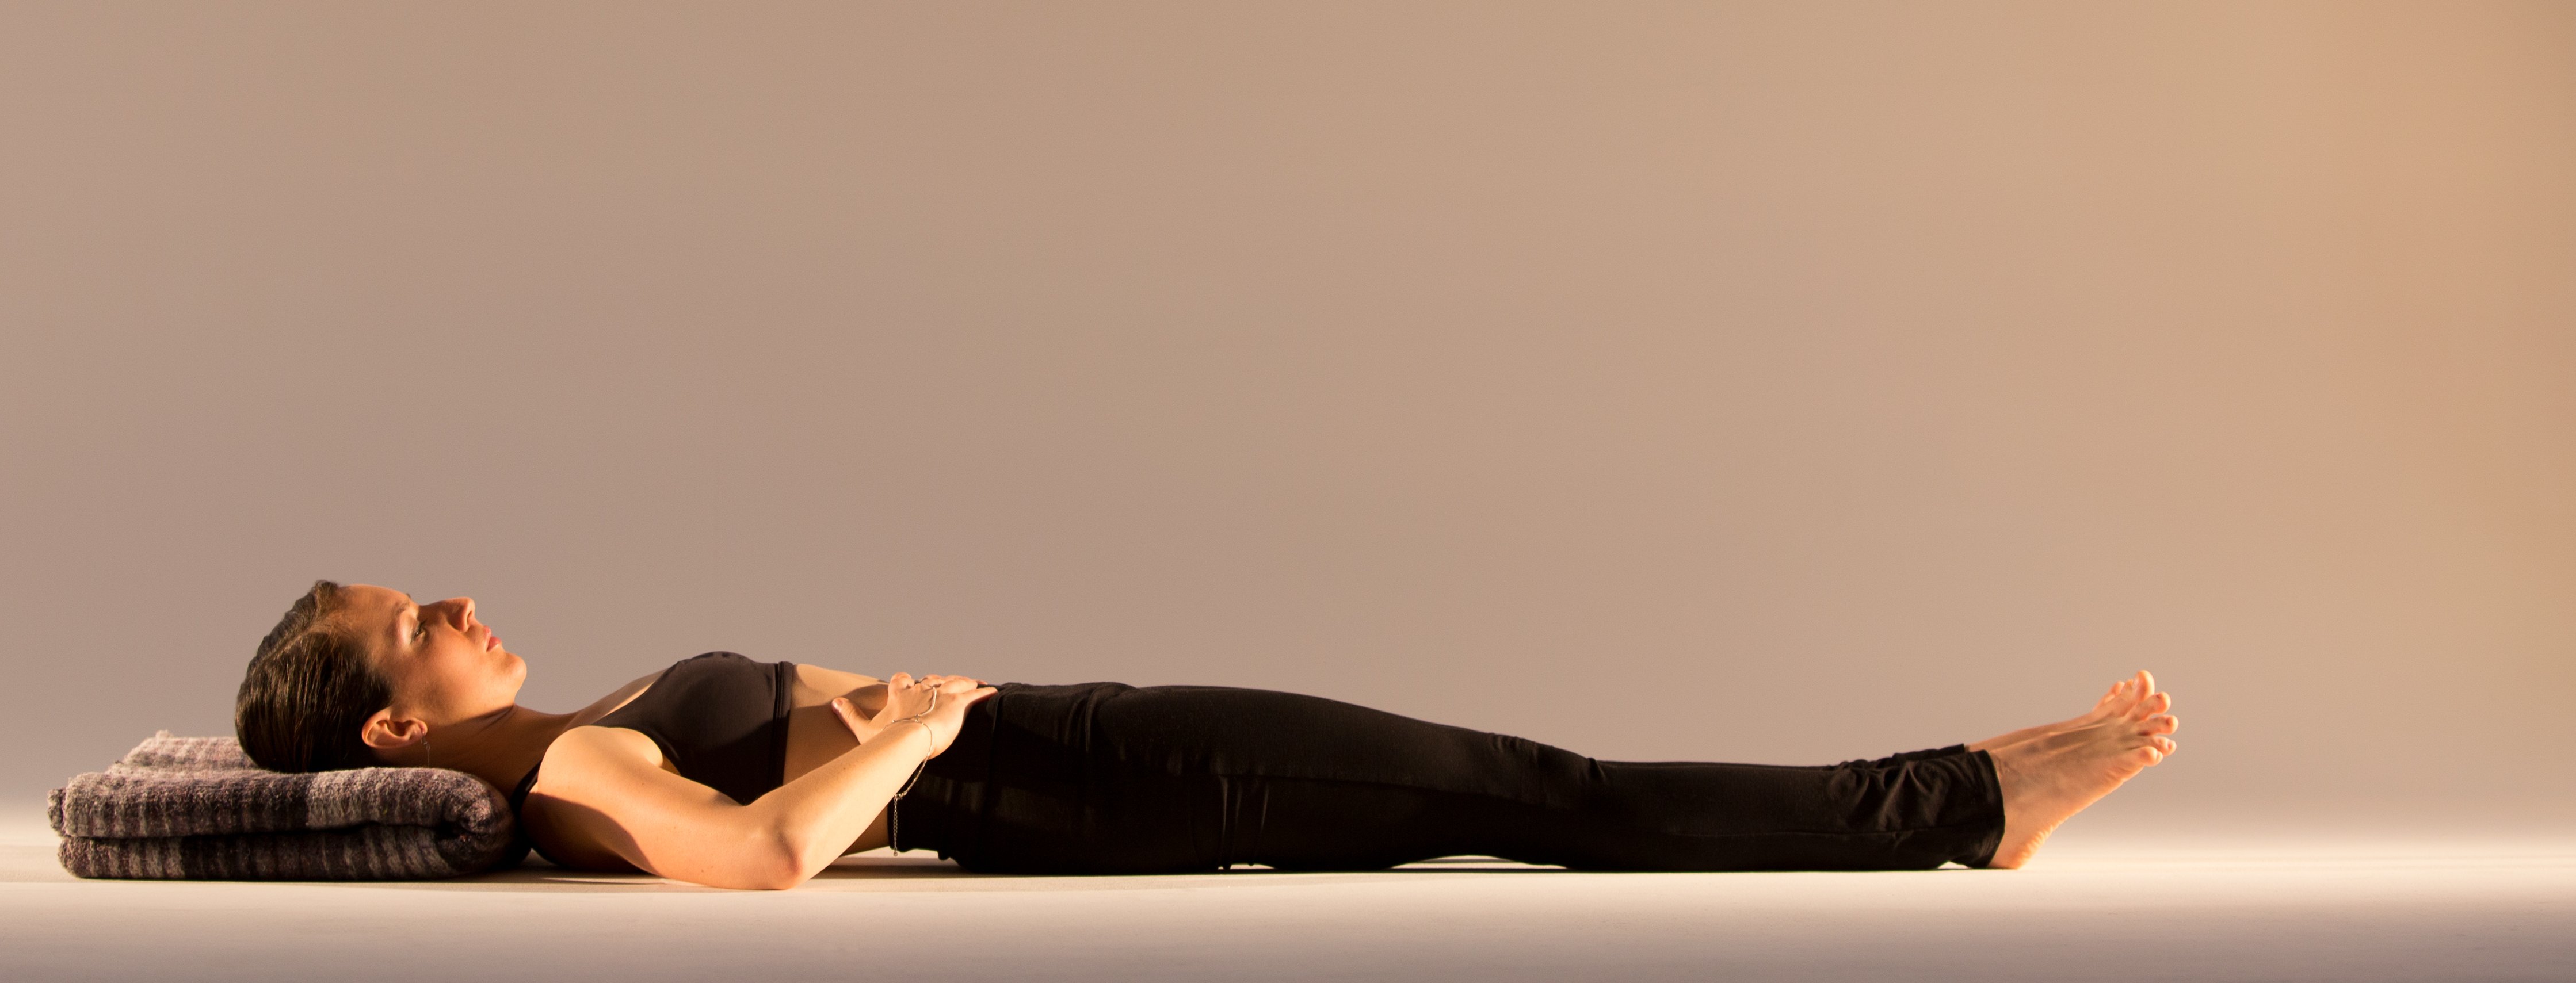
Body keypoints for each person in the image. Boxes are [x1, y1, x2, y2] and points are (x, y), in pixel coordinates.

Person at [234, 582, 2176, 890]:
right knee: (1543, 795)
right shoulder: (550, 767)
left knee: (1533, 787)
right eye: (416, 625)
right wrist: (914, 731)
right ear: (393, 719)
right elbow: (758, 859)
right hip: (1091, 777)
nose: (459, 602)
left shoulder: (560, 738)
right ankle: (1971, 802)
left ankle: (1964, 795)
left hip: (1089, 754)